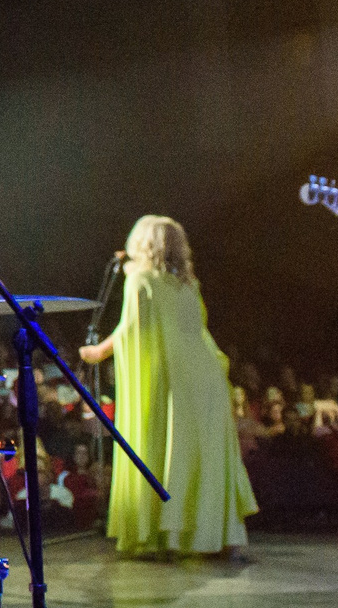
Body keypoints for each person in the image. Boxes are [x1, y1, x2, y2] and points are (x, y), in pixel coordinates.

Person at [78, 215, 257, 560]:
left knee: (165, 450)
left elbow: (133, 330)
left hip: (173, 382)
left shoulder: (140, 281)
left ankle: (166, 536)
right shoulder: (188, 283)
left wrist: (99, 351)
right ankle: (213, 536)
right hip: (207, 380)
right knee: (200, 456)